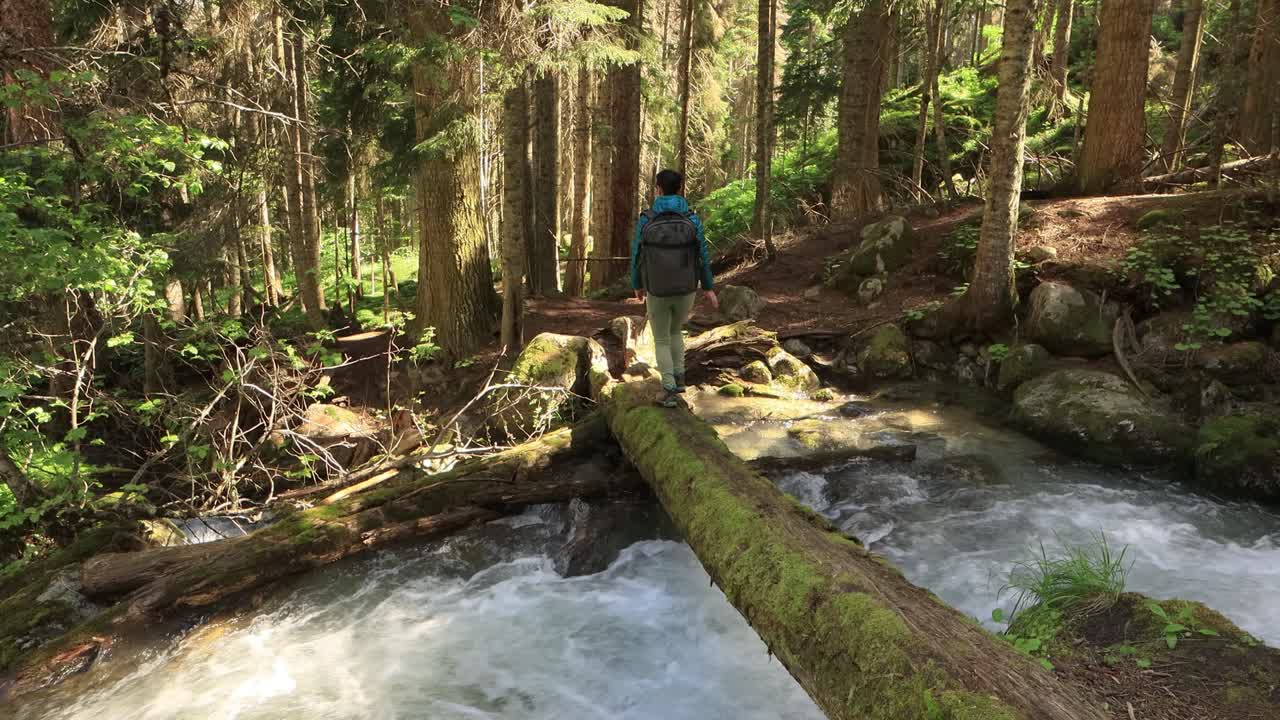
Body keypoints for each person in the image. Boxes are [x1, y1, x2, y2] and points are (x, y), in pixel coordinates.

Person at [630, 169, 718, 408]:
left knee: (661, 339)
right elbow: (703, 255)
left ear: (658, 188)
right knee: (676, 331)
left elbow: (637, 254)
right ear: (680, 189)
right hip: (687, 288)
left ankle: (668, 389)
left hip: (656, 289)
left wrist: (637, 284)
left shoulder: (646, 219)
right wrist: (708, 287)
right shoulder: (692, 219)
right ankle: (679, 379)